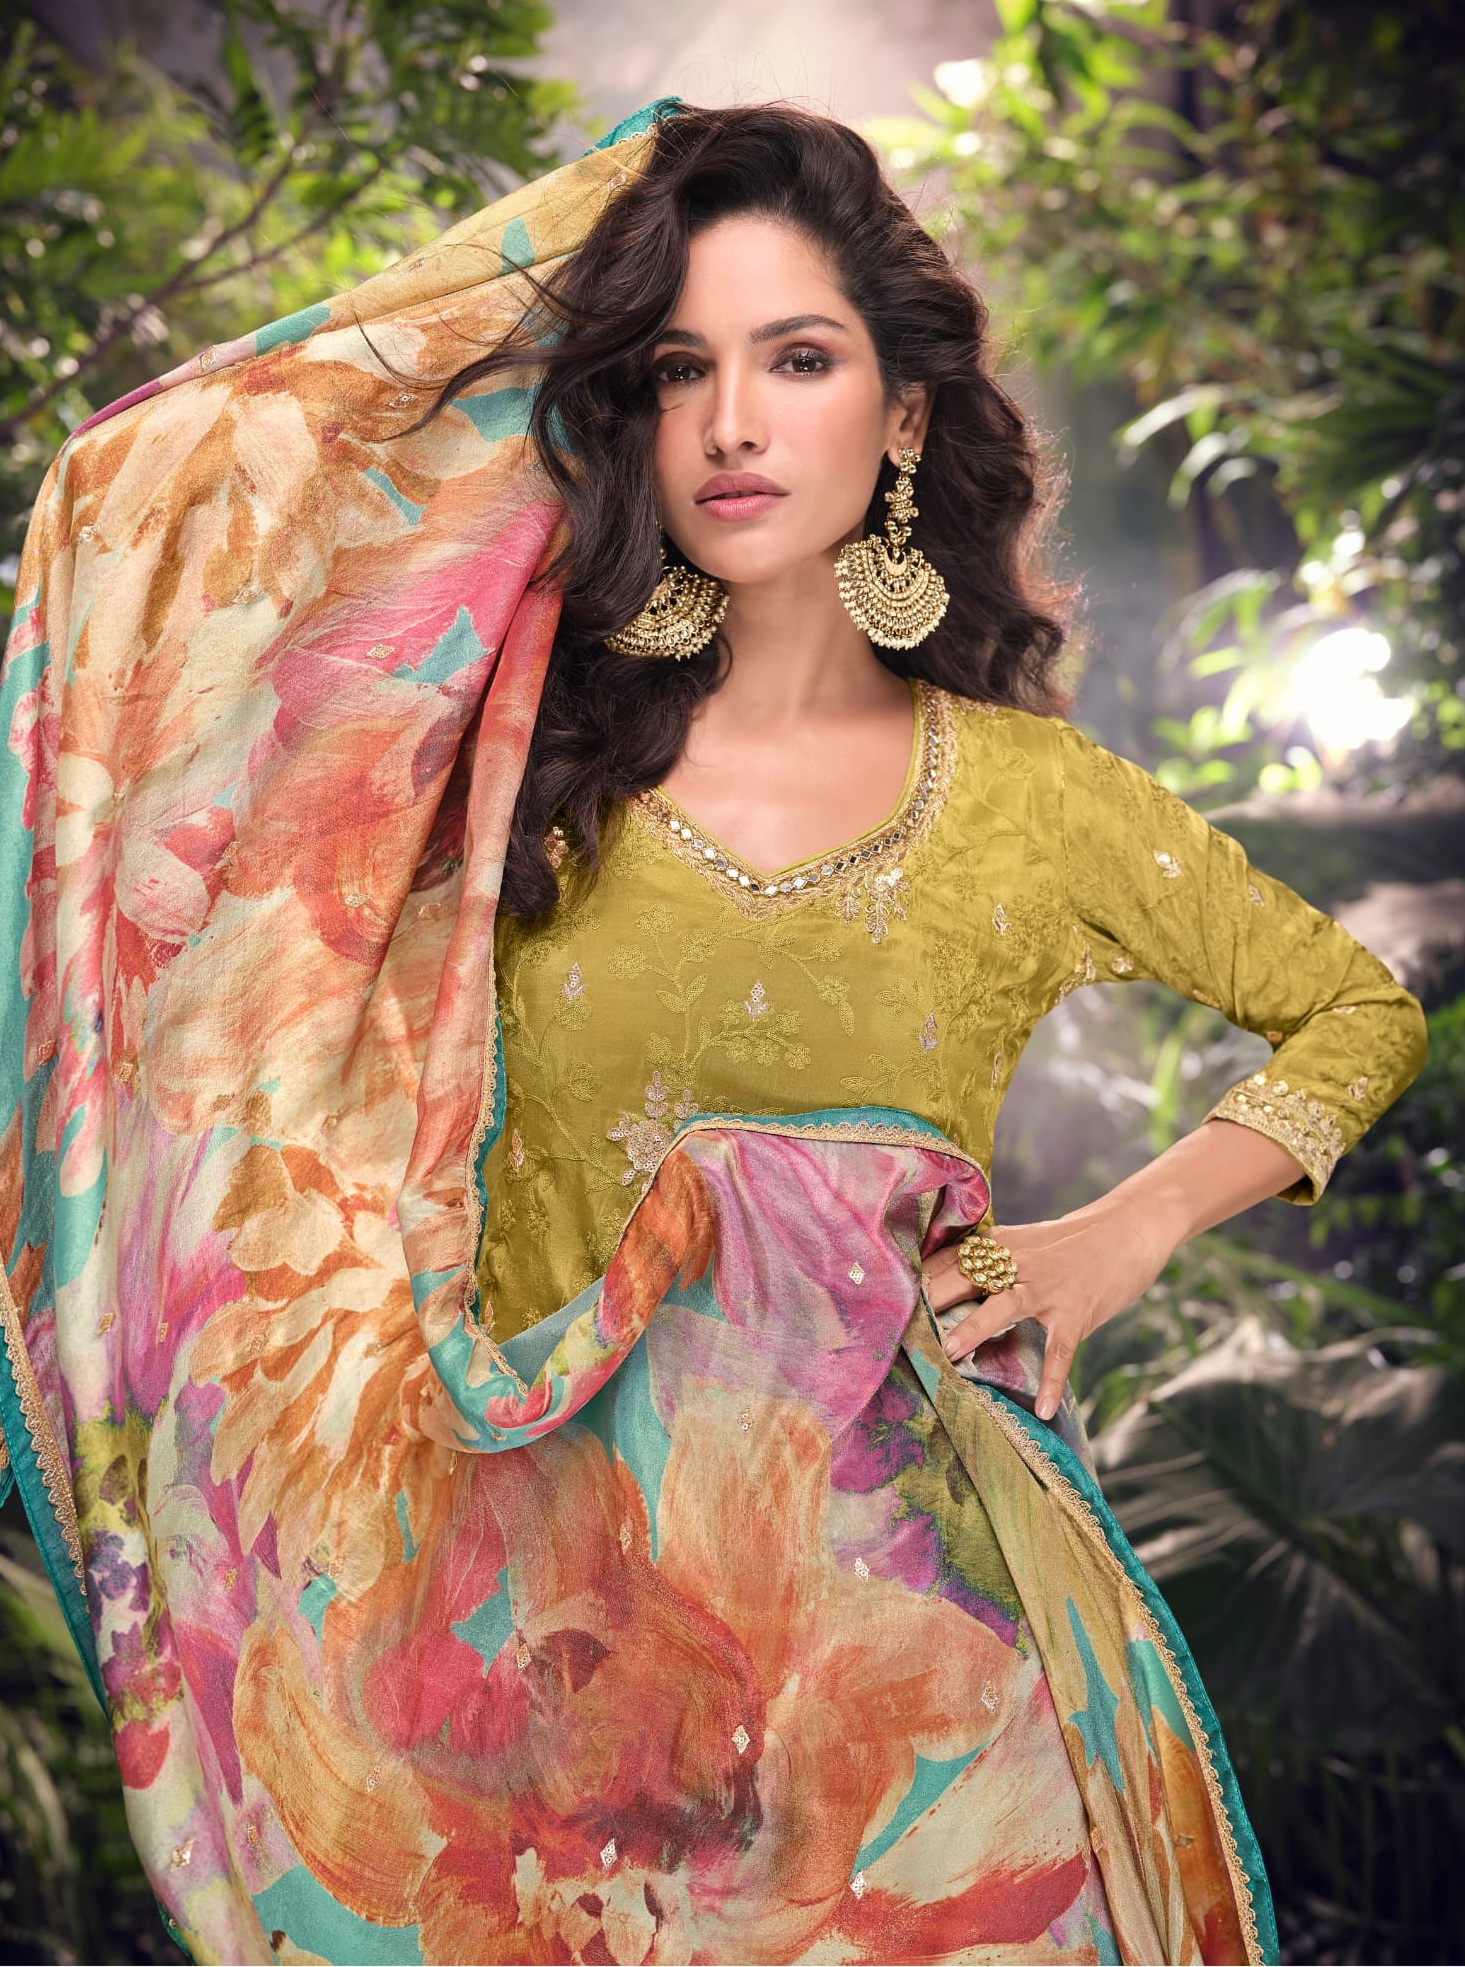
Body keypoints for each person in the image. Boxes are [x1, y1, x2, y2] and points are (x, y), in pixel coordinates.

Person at [0, 100, 1425, 1966]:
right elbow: (219, 799)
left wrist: (1112, 1237)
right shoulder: (506, 776)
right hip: (552, 1697)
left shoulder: (1035, 802)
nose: (734, 422)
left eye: (798, 359)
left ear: (901, 416)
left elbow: (1356, 1009)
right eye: (681, 369)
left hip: (934, 1703)